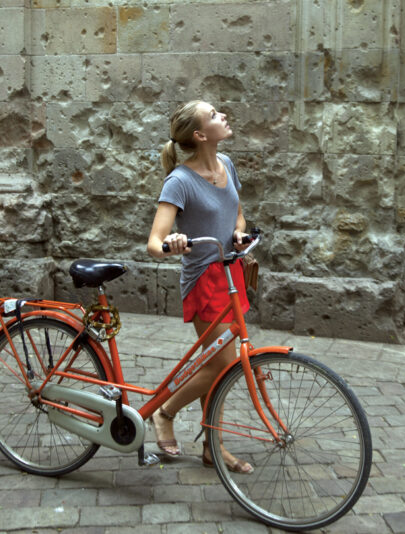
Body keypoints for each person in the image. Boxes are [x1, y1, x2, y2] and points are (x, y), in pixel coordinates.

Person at [146, 100, 254, 474]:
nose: (223, 115)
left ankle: (212, 447)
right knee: (225, 362)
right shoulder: (179, 180)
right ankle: (164, 412)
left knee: (219, 365)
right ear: (200, 135)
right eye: (213, 115)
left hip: (231, 274)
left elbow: (237, 212)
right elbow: (154, 242)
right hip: (204, 281)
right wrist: (172, 242)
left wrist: (239, 234)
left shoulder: (227, 166)